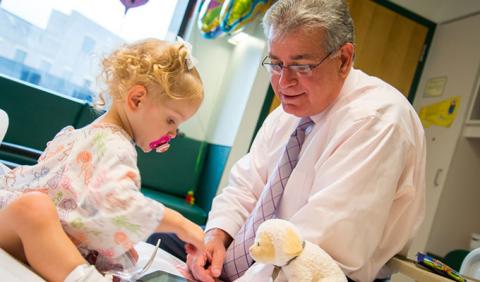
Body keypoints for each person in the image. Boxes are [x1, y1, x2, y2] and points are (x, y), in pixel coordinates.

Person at [149, 0, 427, 281]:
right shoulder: (287, 114)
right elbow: (246, 187)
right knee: (156, 238)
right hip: (254, 249)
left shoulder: (376, 120)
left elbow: (315, 251)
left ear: (343, 59)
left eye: (301, 66)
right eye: (276, 64)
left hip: (316, 270)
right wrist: (214, 239)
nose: (283, 84)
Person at [0, 38, 206, 282]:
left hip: (24, 236)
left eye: (177, 127)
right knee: (35, 208)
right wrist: (182, 224)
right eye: (171, 120)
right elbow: (118, 202)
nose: (172, 134)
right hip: (17, 224)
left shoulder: (94, 136)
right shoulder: (115, 146)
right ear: (137, 99)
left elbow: (84, 208)